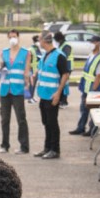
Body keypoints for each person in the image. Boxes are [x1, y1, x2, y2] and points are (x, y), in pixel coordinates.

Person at [33, 32, 71, 160]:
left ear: (44, 41)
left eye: (39, 40)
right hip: (43, 94)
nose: (39, 42)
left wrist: (58, 93)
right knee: (46, 123)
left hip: (53, 94)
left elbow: (65, 74)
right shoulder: (45, 55)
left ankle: (55, 149)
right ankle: (47, 147)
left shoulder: (59, 56)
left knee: (52, 123)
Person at [0, 29, 33, 155]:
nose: (13, 39)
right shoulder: (4, 53)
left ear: (18, 37)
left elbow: (27, 71)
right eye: (10, 37)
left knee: (21, 119)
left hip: (18, 90)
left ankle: (24, 146)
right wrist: (0, 70)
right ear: (8, 38)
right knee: (5, 119)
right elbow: (1, 67)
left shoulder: (26, 53)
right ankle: (4, 145)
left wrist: (28, 85)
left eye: (15, 36)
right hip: (5, 90)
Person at [69, 36, 100, 137]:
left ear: (98, 43)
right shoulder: (91, 55)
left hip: (94, 89)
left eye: (93, 42)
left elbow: (98, 76)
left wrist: (92, 93)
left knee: (94, 111)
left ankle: (92, 130)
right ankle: (81, 127)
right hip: (86, 88)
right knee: (83, 109)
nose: (90, 44)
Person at [56, 31, 75, 107]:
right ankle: (61, 100)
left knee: (64, 84)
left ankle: (64, 101)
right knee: (61, 84)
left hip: (67, 67)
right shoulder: (61, 44)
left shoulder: (66, 45)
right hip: (62, 67)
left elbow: (64, 56)